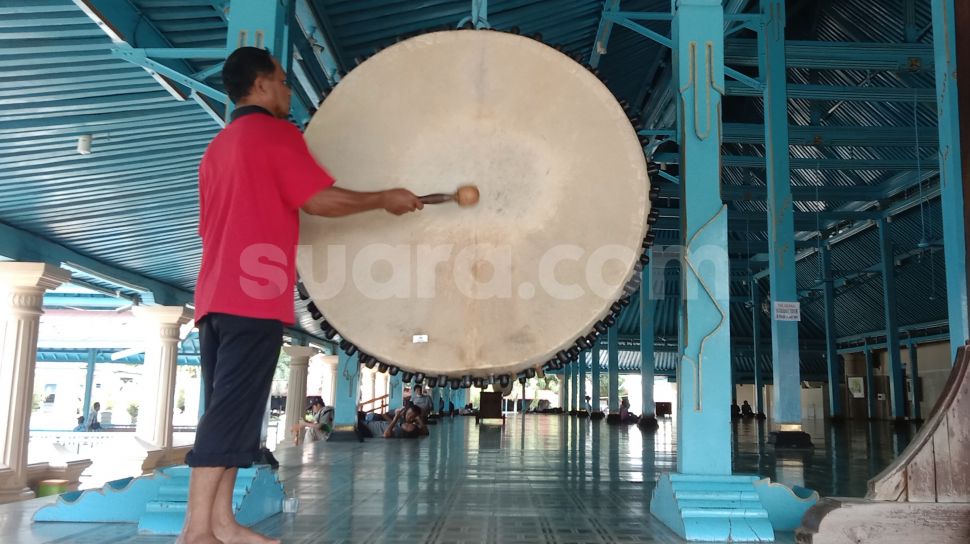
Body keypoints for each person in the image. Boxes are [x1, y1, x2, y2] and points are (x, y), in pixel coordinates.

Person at [178, 46, 423, 544]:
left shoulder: (217, 147)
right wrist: (384, 198)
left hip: (214, 295)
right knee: (229, 415)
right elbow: (317, 200)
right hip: (253, 297)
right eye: (284, 81)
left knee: (234, 410)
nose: (289, 90)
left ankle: (222, 523)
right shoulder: (273, 133)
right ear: (262, 84)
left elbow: (209, 228)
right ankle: (194, 533)